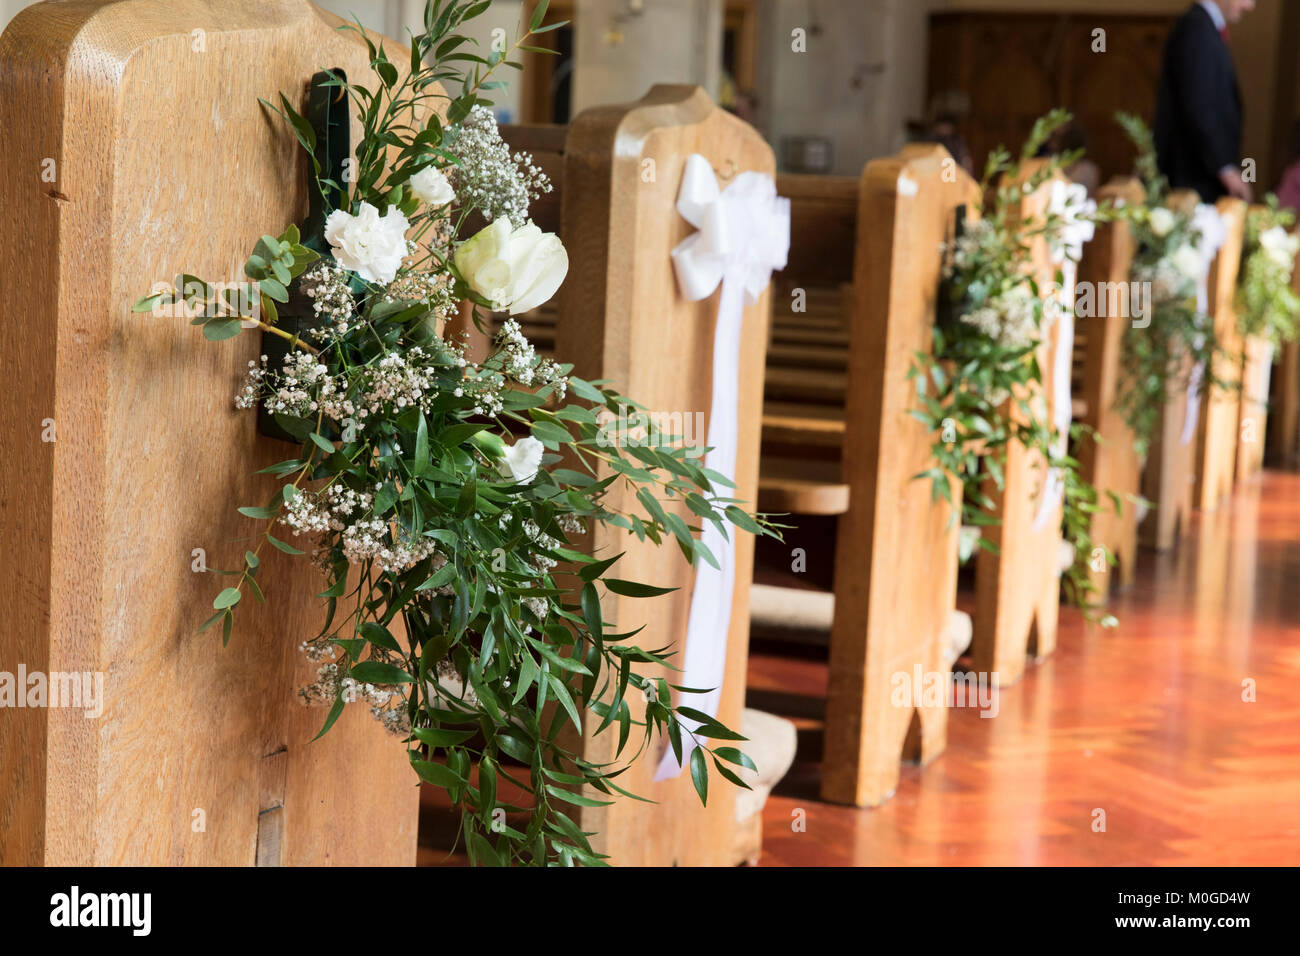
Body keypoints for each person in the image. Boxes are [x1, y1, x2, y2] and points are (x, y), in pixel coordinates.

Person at [1154, 0, 1255, 203]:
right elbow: (1199, 104)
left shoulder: (1205, 27)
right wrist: (1225, 168)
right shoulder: (1197, 28)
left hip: (1198, 178)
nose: (1249, 6)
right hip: (1190, 181)